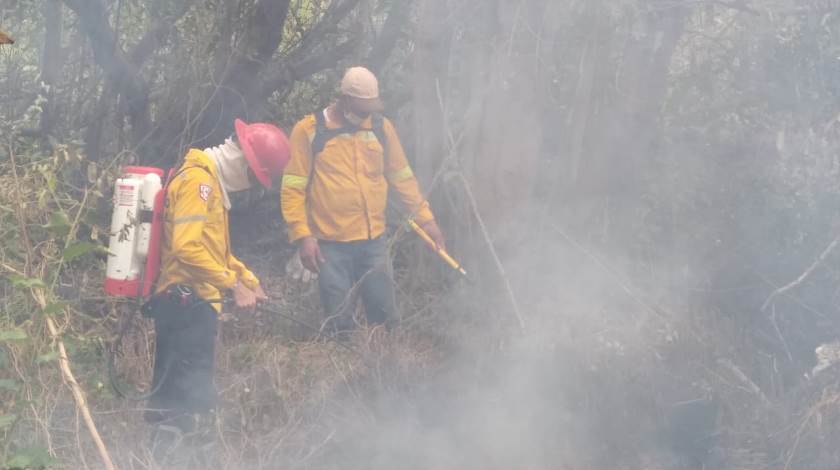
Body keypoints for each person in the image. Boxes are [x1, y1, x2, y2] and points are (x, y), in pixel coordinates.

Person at [145, 119, 289, 455]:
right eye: (255, 176)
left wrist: (247, 279)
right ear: (244, 163)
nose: (251, 184)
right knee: (182, 403)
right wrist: (232, 285)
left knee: (189, 398)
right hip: (184, 305)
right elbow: (186, 249)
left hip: (194, 304)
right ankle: (171, 461)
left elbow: (214, 251)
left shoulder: (208, 181)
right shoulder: (199, 182)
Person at [280, 66, 445, 332]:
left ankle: (386, 363)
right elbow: (292, 189)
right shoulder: (309, 130)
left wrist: (427, 220)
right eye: (361, 110)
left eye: (370, 109)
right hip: (329, 246)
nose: (365, 116)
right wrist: (303, 236)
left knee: (385, 318)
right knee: (338, 321)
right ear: (343, 100)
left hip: (374, 243)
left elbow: (402, 178)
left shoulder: (381, 128)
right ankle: (342, 362)